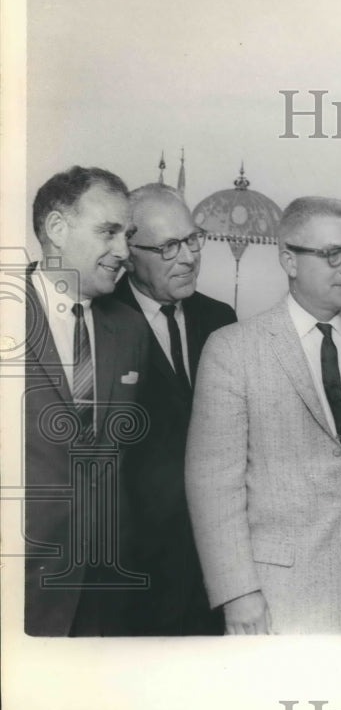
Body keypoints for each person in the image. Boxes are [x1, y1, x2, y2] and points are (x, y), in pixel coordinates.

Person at [185, 197, 341, 634]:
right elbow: (213, 483)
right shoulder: (233, 349)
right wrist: (237, 592)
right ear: (289, 259)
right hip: (277, 597)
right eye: (332, 254)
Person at [23, 165, 150, 636]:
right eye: (108, 232)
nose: (123, 251)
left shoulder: (130, 331)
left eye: (128, 234)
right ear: (57, 229)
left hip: (105, 593)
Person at [114, 183, 236, 635]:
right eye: (168, 247)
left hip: (212, 558)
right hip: (134, 568)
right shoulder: (100, 320)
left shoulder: (220, 319)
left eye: (191, 240)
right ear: (128, 252)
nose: (187, 257)